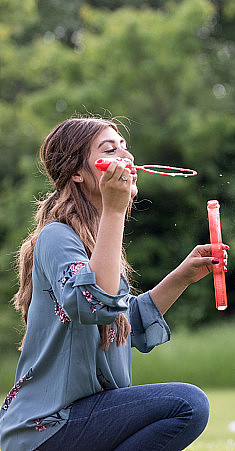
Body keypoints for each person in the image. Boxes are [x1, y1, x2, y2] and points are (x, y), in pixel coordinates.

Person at [0, 117, 223, 451]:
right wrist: (115, 211)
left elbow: (120, 321)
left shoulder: (94, 238)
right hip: (46, 427)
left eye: (125, 147)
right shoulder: (57, 237)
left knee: (185, 405)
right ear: (77, 173)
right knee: (187, 404)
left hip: (77, 418)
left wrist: (182, 277)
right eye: (110, 149)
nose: (126, 156)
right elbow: (97, 304)